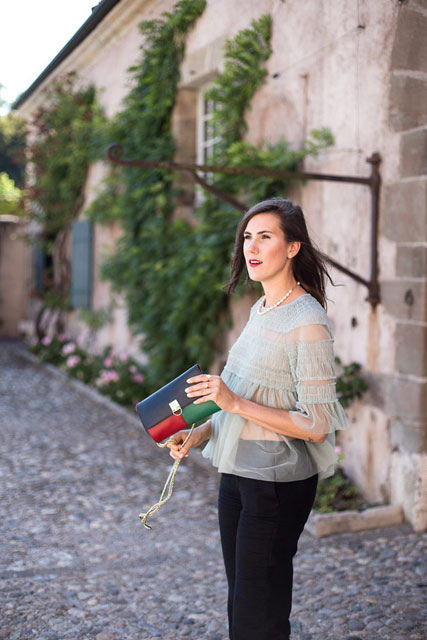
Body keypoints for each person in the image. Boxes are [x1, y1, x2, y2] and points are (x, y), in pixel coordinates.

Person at [167, 198, 349, 640]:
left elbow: (318, 424)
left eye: (265, 236)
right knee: (244, 601)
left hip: (276, 482)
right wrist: (202, 432)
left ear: (292, 248)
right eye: (248, 236)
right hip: (237, 472)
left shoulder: (308, 322)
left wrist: (233, 405)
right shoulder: (262, 308)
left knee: (257, 609)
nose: (252, 246)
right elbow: (242, 397)